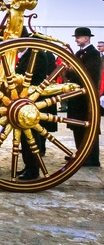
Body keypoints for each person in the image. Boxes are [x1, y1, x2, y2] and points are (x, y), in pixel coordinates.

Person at [16, 29, 58, 180]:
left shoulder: (36, 54)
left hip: (33, 100)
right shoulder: (27, 54)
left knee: (32, 138)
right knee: (25, 138)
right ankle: (28, 166)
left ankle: (33, 170)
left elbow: (31, 76)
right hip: (25, 100)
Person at [65, 27, 101, 167]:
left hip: (86, 98)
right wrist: (68, 70)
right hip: (78, 96)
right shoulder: (80, 53)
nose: (76, 40)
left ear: (86, 38)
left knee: (88, 127)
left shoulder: (93, 54)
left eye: (78, 37)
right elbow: (73, 73)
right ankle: (80, 154)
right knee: (77, 126)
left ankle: (91, 158)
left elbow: (88, 74)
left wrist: (72, 70)